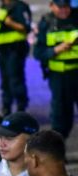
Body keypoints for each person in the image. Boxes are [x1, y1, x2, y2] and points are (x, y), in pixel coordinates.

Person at [33, 0, 78, 139]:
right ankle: (57, 154)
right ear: (51, 6)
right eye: (60, 7)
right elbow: (38, 53)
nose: (64, 10)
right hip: (59, 78)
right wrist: (55, 50)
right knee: (60, 117)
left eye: (66, 7)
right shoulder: (46, 23)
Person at [0, 0, 32, 123]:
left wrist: (9, 22)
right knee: (5, 82)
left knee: (16, 80)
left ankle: (21, 113)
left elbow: (25, 28)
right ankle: (6, 112)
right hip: (3, 51)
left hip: (15, 49)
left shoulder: (20, 7)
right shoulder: (3, 7)